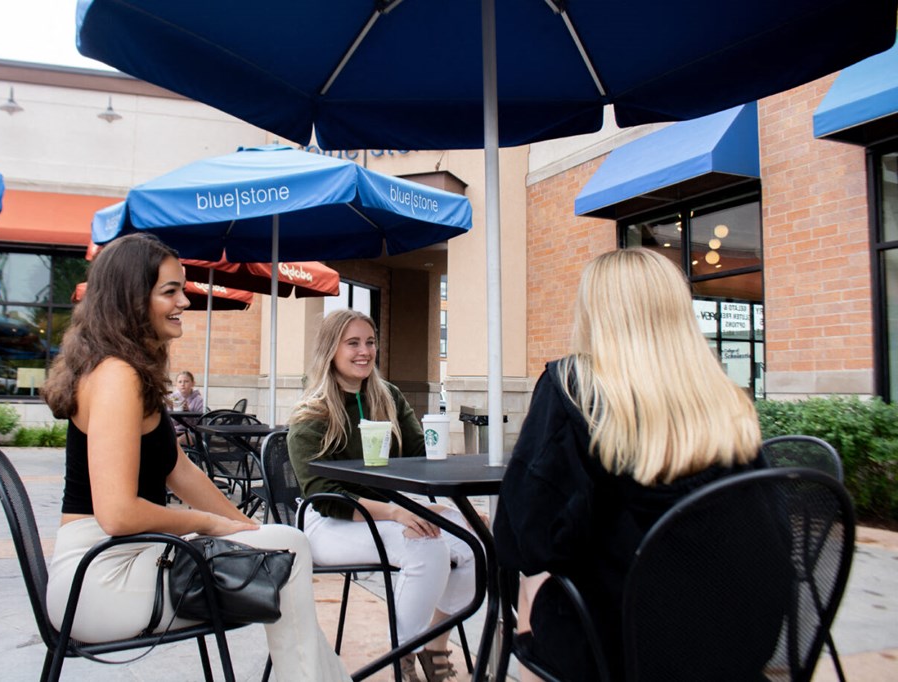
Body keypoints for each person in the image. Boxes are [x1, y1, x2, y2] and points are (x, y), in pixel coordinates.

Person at [40, 233, 350, 681]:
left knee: (279, 543)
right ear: (132, 298)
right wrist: (207, 524)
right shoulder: (116, 376)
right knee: (292, 548)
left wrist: (244, 527)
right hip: (99, 579)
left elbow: (178, 469)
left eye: (182, 288)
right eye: (170, 291)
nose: (185, 300)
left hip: (131, 559)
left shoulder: (127, 369)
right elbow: (117, 513)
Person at [493, 248, 766, 682]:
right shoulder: (726, 402)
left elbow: (524, 539)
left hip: (618, 650)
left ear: (594, 313)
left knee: (532, 581)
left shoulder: (572, 388)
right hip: (733, 644)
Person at [288, 309, 475, 682]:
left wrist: (455, 509)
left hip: (390, 512)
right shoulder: (312, 414)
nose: (365, 351)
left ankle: (434, 649)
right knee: (427, 545)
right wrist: (394, 513)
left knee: (473, 545)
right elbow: (324, 496)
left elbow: (420, 457)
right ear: (331, 349)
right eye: (353, 343)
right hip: (329, 523)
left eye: (370, 342)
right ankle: (403, 655)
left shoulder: (387, 396)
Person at [169, 370, 204, 444]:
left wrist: (188, 412)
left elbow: (199, 423)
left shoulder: (198, 400)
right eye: (180, 382)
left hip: (192, 432)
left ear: (193, 383)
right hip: (173, 431)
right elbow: (170, 422)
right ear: (176, 384)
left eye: (186, 381)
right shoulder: (171, 398)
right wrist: (171, 409)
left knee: (176, 443)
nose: (182, 384)